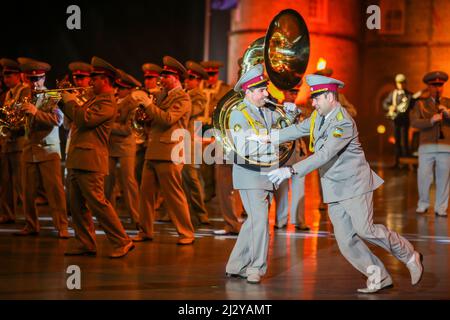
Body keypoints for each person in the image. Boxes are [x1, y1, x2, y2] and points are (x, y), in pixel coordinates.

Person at [265, 74, 424, 293]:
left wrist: (291, 170)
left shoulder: (343, 121)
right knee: (345, 241)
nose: (312, 102)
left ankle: (409, 254)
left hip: (354, 185)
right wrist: (268, 137)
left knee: (365, 229)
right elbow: (298, 130)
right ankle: (377, 276)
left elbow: (324, 154)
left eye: (316, 98)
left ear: (329, 96)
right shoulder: (319, 117)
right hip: (334, 188)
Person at [224, 64, 297, 284]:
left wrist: (291, 116)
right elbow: (243, 147)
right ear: (248, 91)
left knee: (253, 221)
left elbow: (283, 129)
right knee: (261, 221)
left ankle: (235, 265)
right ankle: (256, 267)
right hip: (249, 173)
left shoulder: (267, 111)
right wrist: (271, 141)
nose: (267, 93)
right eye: (261, 90)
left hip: (267, 173)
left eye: (265, 89)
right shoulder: (239, 114)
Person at [60, 56, 134, 258]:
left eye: (95, 77)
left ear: (106, 80)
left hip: (91, 161)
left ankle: (122, 240)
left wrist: (68, 102)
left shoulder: (108, 102)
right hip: (79, 158)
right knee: (76, 205)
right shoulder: (94, 99)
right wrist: (62, 101)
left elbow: (84, 120)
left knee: (99, 204)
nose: (91, 81)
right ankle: (86, 243)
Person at [132, 56, 195, 245]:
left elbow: (167, 119)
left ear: (175, 77)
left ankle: (186, 233)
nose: (161, 79)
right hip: (154, 148)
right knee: (146, 194)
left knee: (174, 195)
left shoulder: (183, 98)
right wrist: (143, 113)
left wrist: (149, 105)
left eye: (165, 76)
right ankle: (145, 231)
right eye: (162, 76)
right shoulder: (161, 96)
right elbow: (153, 119)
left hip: (170, 152)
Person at [14, 59, 69, 238]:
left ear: (44, 78)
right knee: (27, 192)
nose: (35, 83)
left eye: (38, 79)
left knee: (55, 191)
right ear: (26, 79)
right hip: (29, 150)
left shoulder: (52, 95)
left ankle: (62, 227)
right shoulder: (24, 96)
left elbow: (58, 120)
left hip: (48, 150)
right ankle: (31, 225)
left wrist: (36, 113)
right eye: (31, 79)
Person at [105, 69, 141, 228]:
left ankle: (137, 218)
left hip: (126, 146)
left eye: (121, 88)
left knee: (128, 182)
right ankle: (109, 217)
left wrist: (108, 126)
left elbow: (128, 129)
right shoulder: (113, 100)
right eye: (117, 87)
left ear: (130, 90)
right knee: (108, 182)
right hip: (111, 146)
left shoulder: (133, 104)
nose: (117, 90)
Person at [410, 71, 450, 217]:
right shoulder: (420, 104)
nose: (438, 88)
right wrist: (430, 121)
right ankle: (423, 203)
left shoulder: (448, 103)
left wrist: (447, 113)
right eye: (434, 85)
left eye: (440, 85)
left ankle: (441, 207)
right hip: (426, 146)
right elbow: (414, 122)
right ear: (428, 87)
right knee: (424, 176)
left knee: (444, 178)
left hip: (446, 147)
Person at [274, 83, 311, 231]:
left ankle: (299, 221)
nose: (294, 95)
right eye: (291, 92)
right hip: (282, 154)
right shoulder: (276, 109)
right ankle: (281, 220)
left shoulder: (302, 110)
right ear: (284, 92)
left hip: (298, 153)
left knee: (299, 189)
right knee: (281, 190)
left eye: (296, 92)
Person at [0, 58, 30, 224]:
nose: (6, 79)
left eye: (9, 75)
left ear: (19, 76)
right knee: (6, 183)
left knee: (21, 184)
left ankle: (29, 218)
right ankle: (7, 214)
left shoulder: (24, 92)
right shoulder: (7, 94)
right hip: (7, 143)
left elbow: (22, 117)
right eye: (4, 76)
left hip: (19, 142)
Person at [182, 60, 210, 226]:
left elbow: (193, 111)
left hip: (188, 139)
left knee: (191, 177)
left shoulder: (198, 95)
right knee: (175, 179)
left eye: (191, 77)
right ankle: (172, 213)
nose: (187, 80)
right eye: (186, 77)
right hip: (176, 138)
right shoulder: (183, 93)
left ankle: (201, 213)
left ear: (198, 80)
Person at [383, 74, 413, 167]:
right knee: (397, 141)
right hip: (396, 121)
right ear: (396, 83)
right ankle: (397, 162)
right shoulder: (393, 94)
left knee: (405, 141)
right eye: (399, 83)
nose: (400, 85)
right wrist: (390, 107)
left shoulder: (409, 95)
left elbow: (413, 106)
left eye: (402, 83)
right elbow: (385, 103)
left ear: (405, 83)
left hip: (405, 121)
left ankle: (406, 162)